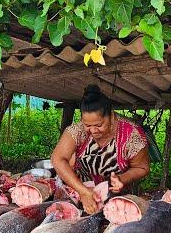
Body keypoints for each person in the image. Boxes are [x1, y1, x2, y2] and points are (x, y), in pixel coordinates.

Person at [51, 84, 151, 214]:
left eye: (98, 125)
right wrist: (82, 191)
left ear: (111, 116)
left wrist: (122, 179)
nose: (92, 130)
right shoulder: (77, 131)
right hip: (80, 195)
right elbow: (57, 159)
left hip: (117, 203)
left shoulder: (131, 135)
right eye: (87, 125)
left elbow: (143, 168)